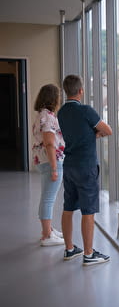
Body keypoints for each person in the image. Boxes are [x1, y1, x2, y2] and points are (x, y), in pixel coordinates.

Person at [58, 74, 112, 266]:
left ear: (66, 91)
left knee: (68, 207)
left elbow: (74, 133)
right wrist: (92, 136)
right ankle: (89, 254)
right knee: (88, 211)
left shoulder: (61, 112)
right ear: (81, 91)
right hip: (86, 166)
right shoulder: (86, 111)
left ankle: (69, 248)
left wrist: (88, 136)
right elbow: (108, 130)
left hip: (69, 165)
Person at [32, 84, 65, 246]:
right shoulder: (49, 117)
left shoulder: (41, 115)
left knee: (46, 196)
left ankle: (48, 230)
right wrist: (54, 167)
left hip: (42, 160)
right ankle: (46, 235)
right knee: (48, 198)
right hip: (51, 160)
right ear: (54, 98)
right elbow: (50, 143)